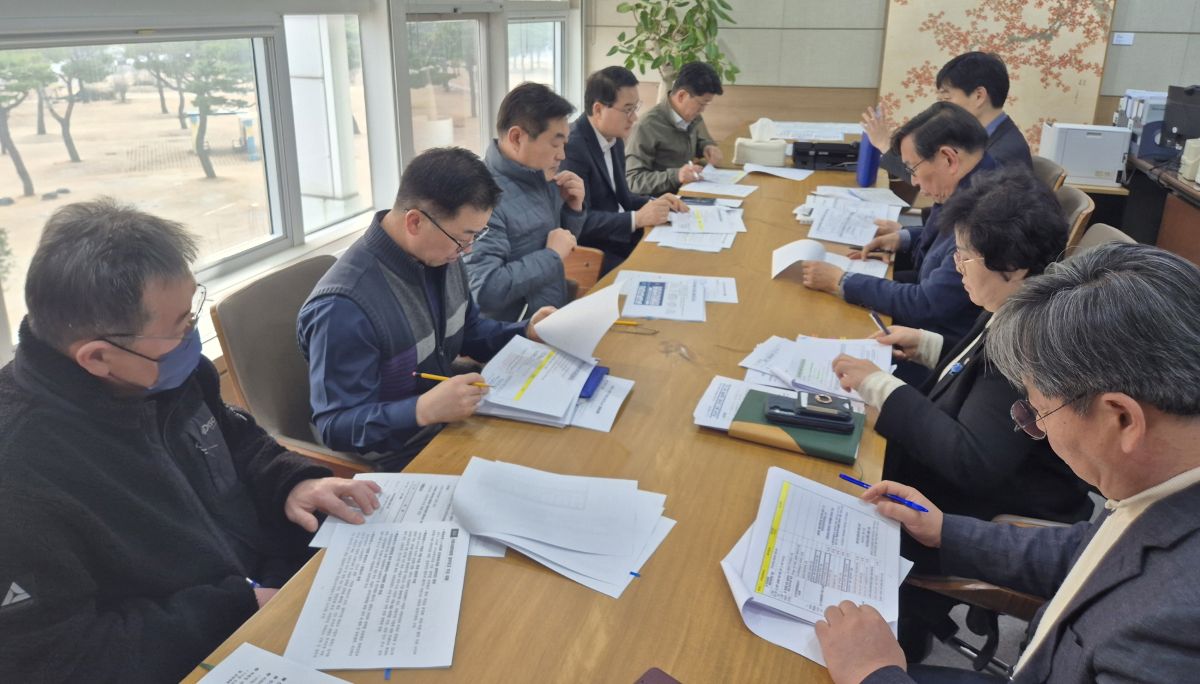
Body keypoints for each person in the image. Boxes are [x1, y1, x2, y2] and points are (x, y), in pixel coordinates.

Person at [0, 199, 381, 681]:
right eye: (179, 328)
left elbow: (236, 440)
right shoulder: (19, 475)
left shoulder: (163, 373)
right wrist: (234, 608)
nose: (191, 338)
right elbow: (58, 659)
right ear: (97, 358)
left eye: (191, 315)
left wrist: (291, 482)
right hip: (201, 653)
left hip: (274, 589)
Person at [815, 243, 1200, 684]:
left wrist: (874, 675)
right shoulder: (1163, 480)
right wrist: (944, 530)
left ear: (1122, 419)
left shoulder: (1177, 627)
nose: (1039, 429)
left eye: (1039, 414)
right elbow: (1091, 550)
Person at [830, 170, 1092, 657]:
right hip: (989, 470)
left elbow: (973, 460)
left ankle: (899, 637)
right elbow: (981, 376)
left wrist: (880, 387)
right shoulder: (1022, 298)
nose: (957, 267)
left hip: (999, 510)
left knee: (843, 513)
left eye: (965, 257)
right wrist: (931, 345)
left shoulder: (1029, 337)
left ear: (1013, 266)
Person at [299, 147, 555, 465]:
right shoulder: (344, 307)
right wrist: (422, 410)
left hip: (448, 428)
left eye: (476, 236)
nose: (468, 249)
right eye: (464, 237)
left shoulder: (441, 255)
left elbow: (470, 331)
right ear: (415, 222)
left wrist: (527, 330)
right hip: (397, 458)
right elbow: (336, 426)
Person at [801, 102, 997, 343]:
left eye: (912, 169)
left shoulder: (984, 217)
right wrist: (902, 238)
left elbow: (925, 304)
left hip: (935, 340)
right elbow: (940, 239)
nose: (913, 182)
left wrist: (841, 281)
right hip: (924, 304)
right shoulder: (971, 182)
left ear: (948, 159)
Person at [464, 82, 586, 322]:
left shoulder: (539, 177)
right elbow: (485, 290)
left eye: (564, 144)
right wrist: (551, 255)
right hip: (516, 332)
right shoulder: (482, 196)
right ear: (517, 137)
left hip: (549, 318)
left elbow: (560, 242)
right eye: (555, 144)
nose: (561, 155)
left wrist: (573, 210)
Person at [563, 66, 687, 274]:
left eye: (635, 107)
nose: (634, 117)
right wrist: (637, 219)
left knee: (676, 256)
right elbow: (580, 222)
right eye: (627, 109)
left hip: (617, 236)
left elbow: (623, 198)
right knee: (658, 269)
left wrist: (655, 202)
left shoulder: (614, 138)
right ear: (598, 110)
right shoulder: (573, 147)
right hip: (592, 250)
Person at [863, 51, 1032, 185]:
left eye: (946, 98)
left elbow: (945, 187)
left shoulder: (1004, 154)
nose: (942, 108)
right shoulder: (976, 136)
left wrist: (884, 144)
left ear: (979, 96)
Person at [625, 61, 724, 196]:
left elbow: (699, 140)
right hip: (659, 201)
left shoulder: (693, 116)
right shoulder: (647, 126)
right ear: (682, 96)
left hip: (687, 191)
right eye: (701, 104)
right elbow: (633, 181)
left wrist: (707, 147)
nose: (702, 110)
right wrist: (676, 176)